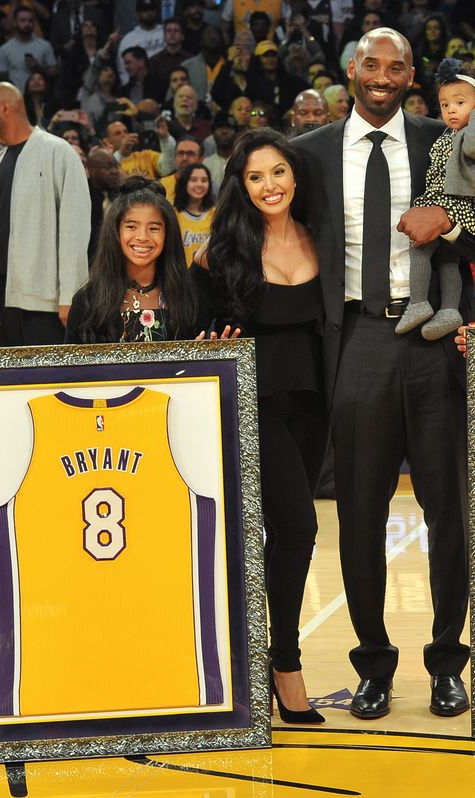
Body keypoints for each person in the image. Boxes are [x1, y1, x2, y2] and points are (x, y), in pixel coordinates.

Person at [292, 28, 475, 721]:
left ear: (411, 76)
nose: (382, 75)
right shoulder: (309, 153)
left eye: (395, 66)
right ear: (351, 69)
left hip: (436, 338)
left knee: (450, 513)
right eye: (371, 64)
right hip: (358, 339)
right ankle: (373, 664)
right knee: (359, 514)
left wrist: (450, 225)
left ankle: (448, 662)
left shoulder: (444, 139)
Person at [191, 129, 326, 725]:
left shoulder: (324, 239)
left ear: (294, 176)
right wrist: (206, 340)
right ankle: (284, 664)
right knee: (298, 528)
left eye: (277, 172)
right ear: (240, 187)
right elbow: (195, 335)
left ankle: (261, 657)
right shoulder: (218, 256)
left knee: (288, 535)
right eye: (255, 177)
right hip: (255, 408)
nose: (269, 185)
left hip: (316, 406)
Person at [0, 82, 90, 347]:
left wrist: (71, 296)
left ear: (5, 109)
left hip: (45, 304)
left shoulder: (58, 152)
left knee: (47, 376)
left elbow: (75, 229)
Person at [398, 59, 475, 340]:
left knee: (421, 245)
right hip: (446, 201)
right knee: (446, 257)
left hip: (465, 205)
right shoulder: (447, 135)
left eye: (460, 103)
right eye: (445, 105)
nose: (451, 109)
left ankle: (418, 302)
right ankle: (449, 310)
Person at [65, 178, 208, 344]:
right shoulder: (87, 301)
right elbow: (70, 360)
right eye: (131, 227)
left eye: (154, 228)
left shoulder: (190, 297)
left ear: (167, 235)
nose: (142, 237)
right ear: (115, 233)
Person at [174, 162, 214, 265]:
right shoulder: (173, 215)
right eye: (193, 180)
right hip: (181, 273)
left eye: (204, 180)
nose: (199, 184)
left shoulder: (216, 214)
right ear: (184, 183)